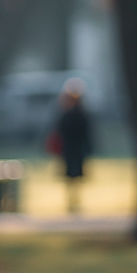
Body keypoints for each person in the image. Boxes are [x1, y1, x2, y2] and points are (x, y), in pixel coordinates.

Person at [50, 80, 94, 214]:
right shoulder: (77, 114)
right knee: (72, 175)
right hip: (72, 149)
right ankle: (73, 200)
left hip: (72, 149)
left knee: (73, 175)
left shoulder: (68, 114)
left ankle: (73, 200)